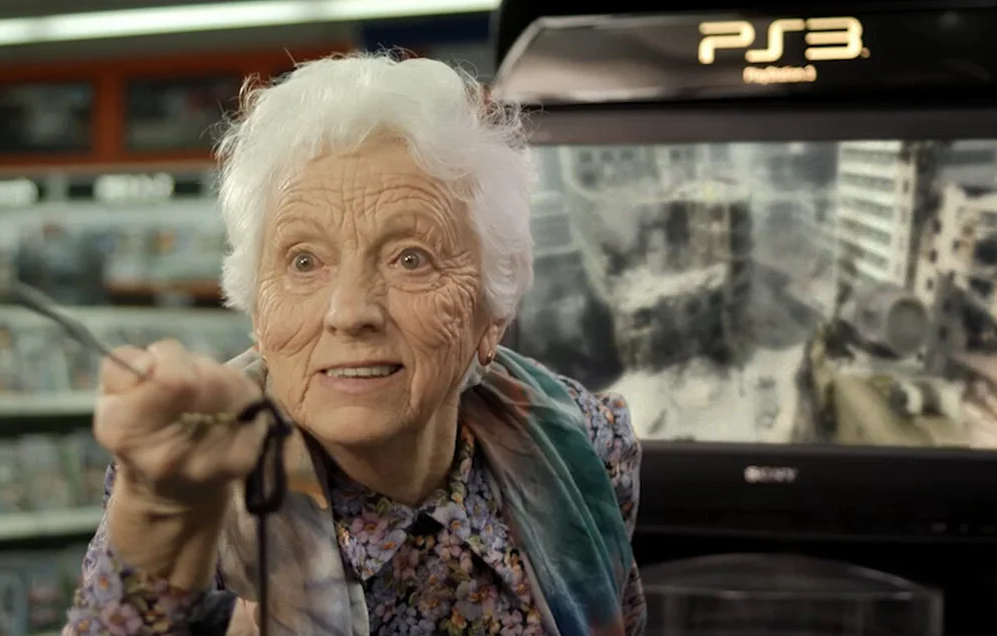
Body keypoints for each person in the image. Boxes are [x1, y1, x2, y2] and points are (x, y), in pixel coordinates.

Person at [64, 52, 644, 636]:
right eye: (304, 261)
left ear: (495, 310)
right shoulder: (190, 484)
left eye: (411, 259)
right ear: (258, 313)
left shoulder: (584, 444)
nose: (349, 313)